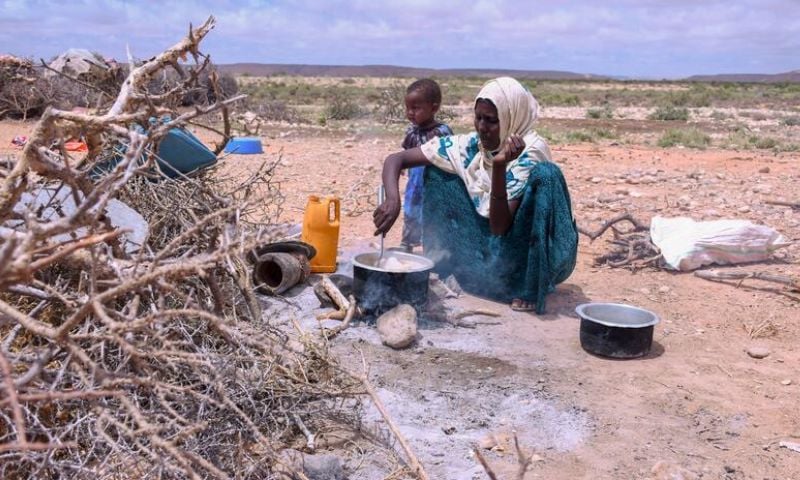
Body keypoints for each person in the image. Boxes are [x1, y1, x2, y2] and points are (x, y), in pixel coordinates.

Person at [373, 77, 577, 313]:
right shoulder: (472, 145)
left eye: (491, 120)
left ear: (511, 118)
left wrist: (500, 166)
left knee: (547, 175)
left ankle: (527, 285)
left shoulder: (530, 152)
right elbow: (397, 159)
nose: (481, 127)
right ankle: (450, 265)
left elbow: (500, 226)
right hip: (492, 242)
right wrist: (392, 199)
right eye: (478, 117)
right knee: (438, 167)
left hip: (523, 246)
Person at [399, 79, 453, 252]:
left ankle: (433, 249)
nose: (410, 113)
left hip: (435, 183)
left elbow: (452, 159)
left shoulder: (442, 133)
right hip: (414, 183)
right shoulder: (411, 131)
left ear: (434, 108)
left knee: (433, 214)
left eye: (416, 108)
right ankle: (407, 243)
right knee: (410, 211)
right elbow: (405, 153)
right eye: (408, 108)